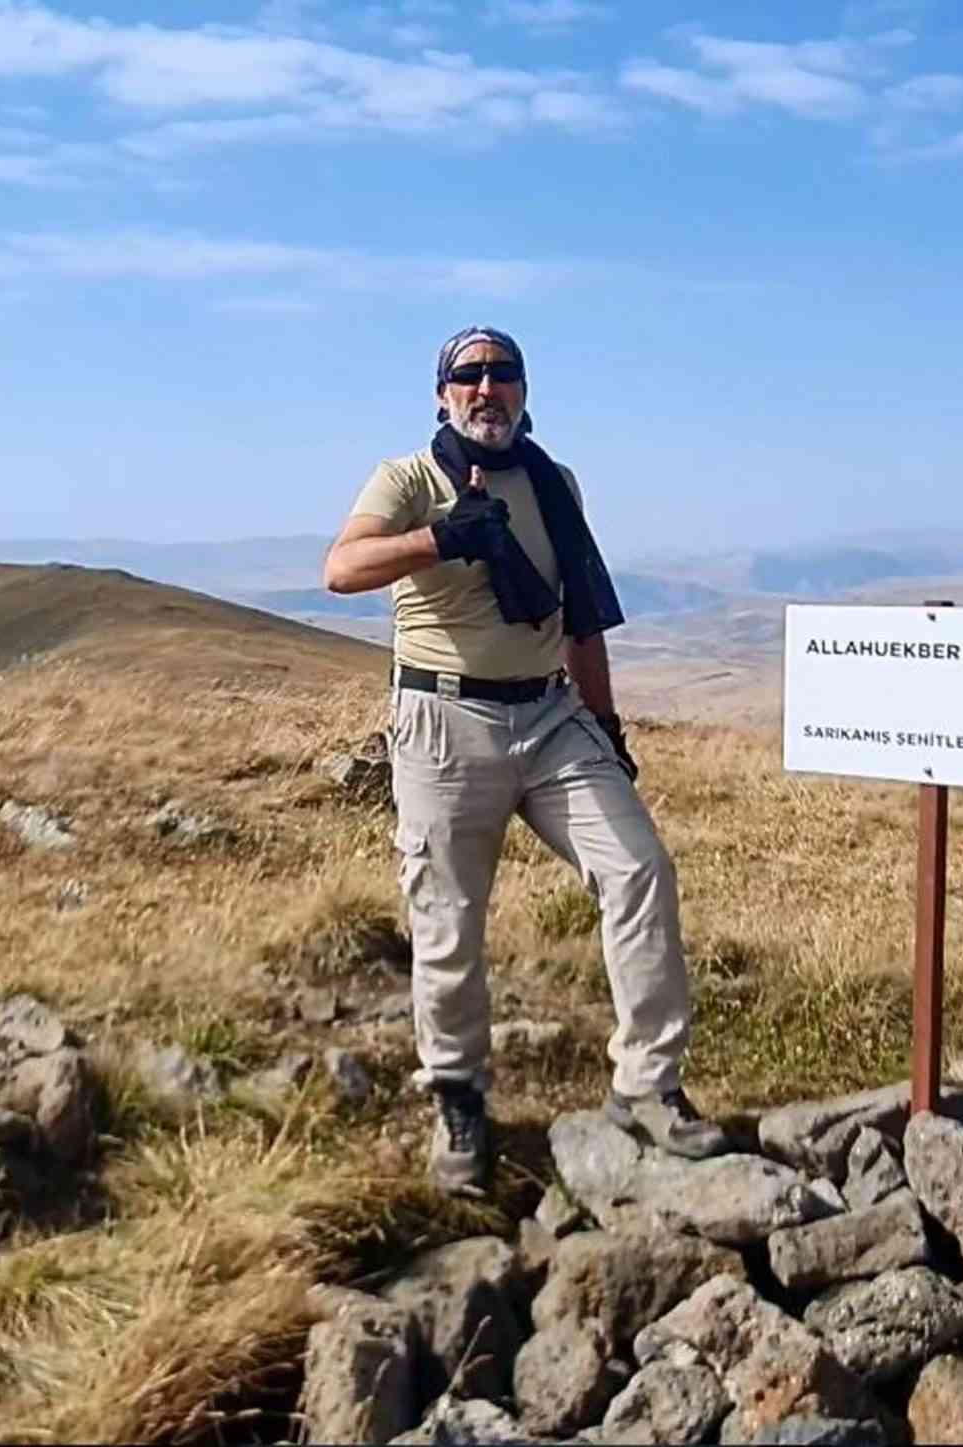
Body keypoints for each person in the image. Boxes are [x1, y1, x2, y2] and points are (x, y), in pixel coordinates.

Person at [321, 325, 729, 1195]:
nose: (487, 388)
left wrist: (608, 729)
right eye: (468, 375)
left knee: (639, 867)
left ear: (524, 391)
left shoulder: (555, 483)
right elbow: (342, 567)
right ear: (442, 393)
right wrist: (442, 538)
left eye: (503, 374)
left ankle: (648, 1086)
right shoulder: (407, 479)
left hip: (549, 715)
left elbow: (580, 611)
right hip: (444, 721)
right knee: (449, 921)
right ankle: (460, 1097)